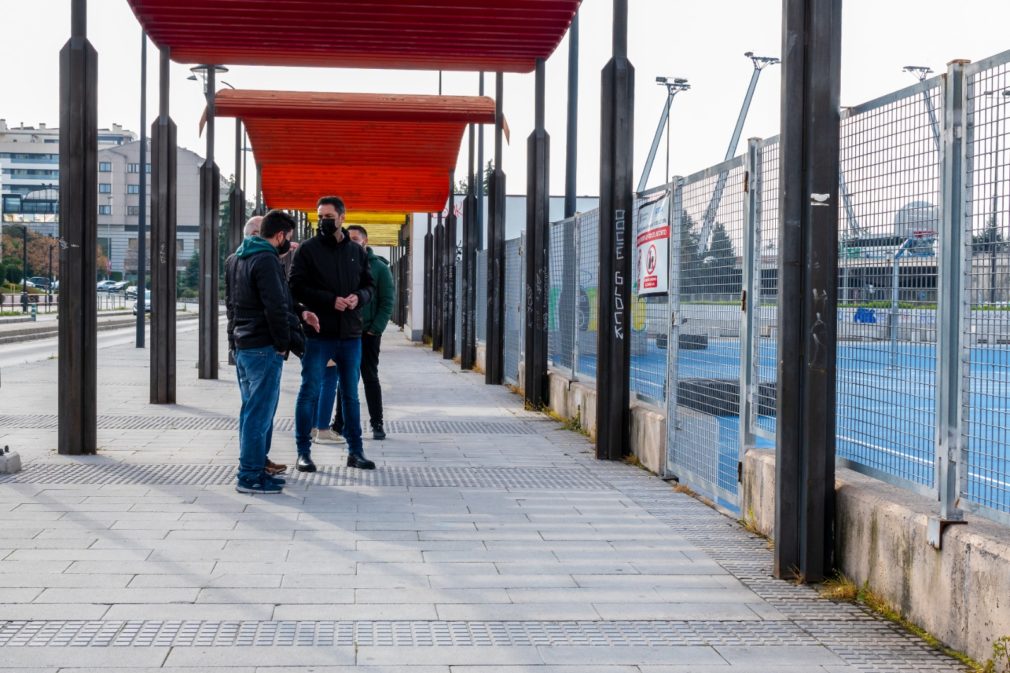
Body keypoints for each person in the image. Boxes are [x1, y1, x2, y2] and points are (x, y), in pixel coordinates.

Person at [226, 210, 319, 494]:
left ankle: (254, 468)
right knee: (259, 414)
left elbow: (232, 305)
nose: (287, 244)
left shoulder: (237, 258)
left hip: (244, 345)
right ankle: (250, 475)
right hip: (263, 347)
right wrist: (283, 344)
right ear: (279, 235)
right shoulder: (265, 259)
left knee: (250, 411)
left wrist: (233, 342)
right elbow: (276, 307)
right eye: (287, 238)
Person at [289, 195, 375, 472]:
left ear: (341, 217)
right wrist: (329, 300)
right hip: (318, 333)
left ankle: (356, 451)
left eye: (328, 216)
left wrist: (358, 298)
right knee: (309, 391)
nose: (323, 221)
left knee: (350, 394)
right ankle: (303, 451)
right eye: (320, 216)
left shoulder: (357, 251)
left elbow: (369, 287)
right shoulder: (307, 250)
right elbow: (296, 287)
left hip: (350, 334)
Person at [325, 225, 394, 440]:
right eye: (349, 238)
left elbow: (387, 301)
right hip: (345, 332)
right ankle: (339, 423)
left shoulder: (380, 268)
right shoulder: (341, 263)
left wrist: (375, 330)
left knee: (370, 377)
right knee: (345, 379)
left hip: (368, 333)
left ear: (365, 241)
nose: (351, 241)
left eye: (355, 238)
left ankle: (377, 423)